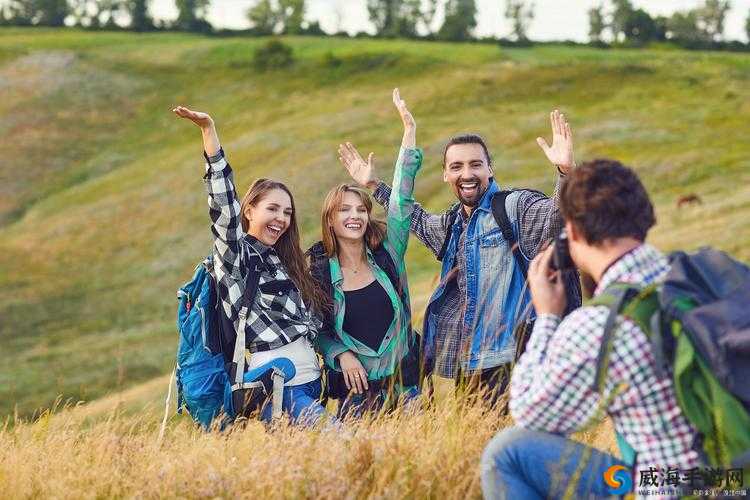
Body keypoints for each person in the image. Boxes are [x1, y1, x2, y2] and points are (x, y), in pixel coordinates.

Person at [480, 159, 701, 499]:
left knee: (508, 452)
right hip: (729, 476)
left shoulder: (599, 325)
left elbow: (530, 414)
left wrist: (548, 318)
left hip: (667, 486)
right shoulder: (704, 279)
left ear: (574, 233)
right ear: (644, 218)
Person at [342, 110, 580, 401]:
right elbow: (414, 218)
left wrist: (566, 173)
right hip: (471, 367)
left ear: (490, 170)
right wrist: (375, 186)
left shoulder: (514, 208)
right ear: (445, 174)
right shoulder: (454, 224)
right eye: (456, 166)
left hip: (516, 361)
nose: (466, 174)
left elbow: (555, 218)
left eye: (475, 165)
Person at [173, 106, 331, 426]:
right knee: (340, 443)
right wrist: (209, 133)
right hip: (278, 388)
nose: (281, 219)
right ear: (249, 211)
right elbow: (223, 207)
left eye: (287, 213)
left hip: (313, 383)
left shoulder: (290, 263)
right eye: (272, 209)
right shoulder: (237, 258)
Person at [308, 89, 422, 418]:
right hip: (354, 401)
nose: (355, 216)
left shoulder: (388, 253)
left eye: (361, 209)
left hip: (406, 391)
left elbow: (401, 204)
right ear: (330, 219)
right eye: (344, 210)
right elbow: (317, 330)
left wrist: (408, 135)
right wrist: (340, 354)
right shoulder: (318, 271)